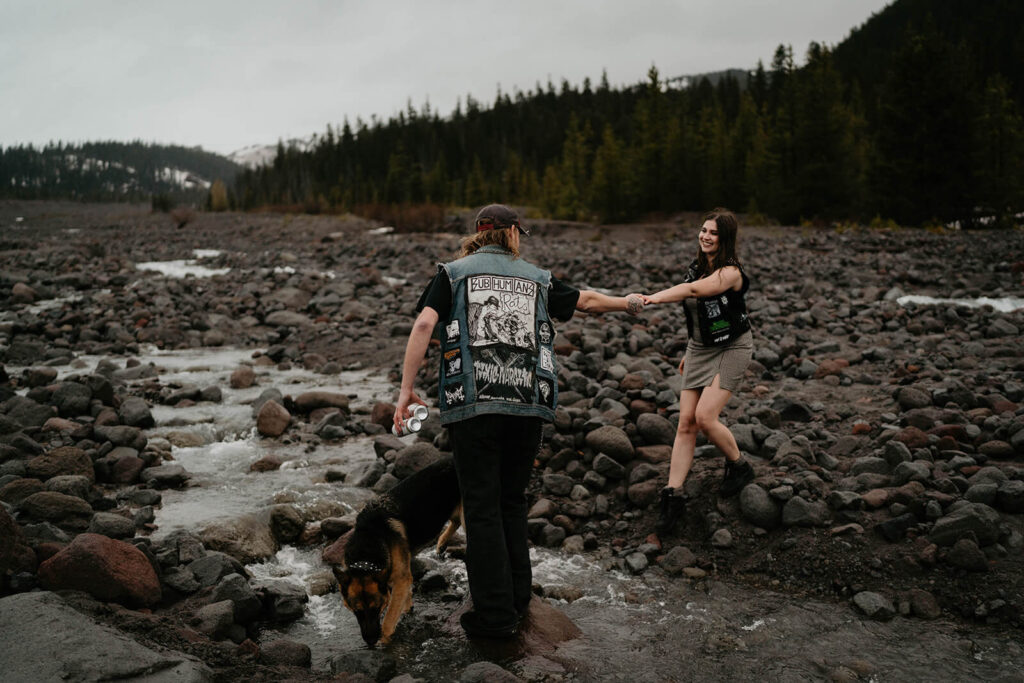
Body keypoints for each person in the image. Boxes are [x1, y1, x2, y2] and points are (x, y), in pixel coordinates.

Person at [394, 203, 644, 639]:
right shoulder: (539, 278)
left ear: (478, 232)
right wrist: (629, 302)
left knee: (482, 506)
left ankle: (495, 615)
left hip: (474, 403)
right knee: (511, 501)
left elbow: (424, 326)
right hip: (529, 403)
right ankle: (519, 595)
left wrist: (405, 390)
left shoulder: (452, 274)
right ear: (512, 234)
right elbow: (585, 301)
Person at [642, 208, 755, 535]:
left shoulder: (731, 272)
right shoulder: (696, 268)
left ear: (725, 239)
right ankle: (673, 494)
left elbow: (693, 293)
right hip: (700, 349)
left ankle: (740, 466)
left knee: (706, 418)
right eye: (703, 230)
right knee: (685, 423)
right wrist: (690, 351)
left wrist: (653, 298)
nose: (705, 236)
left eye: (713, 233)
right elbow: (696, 313)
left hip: (732, 347)